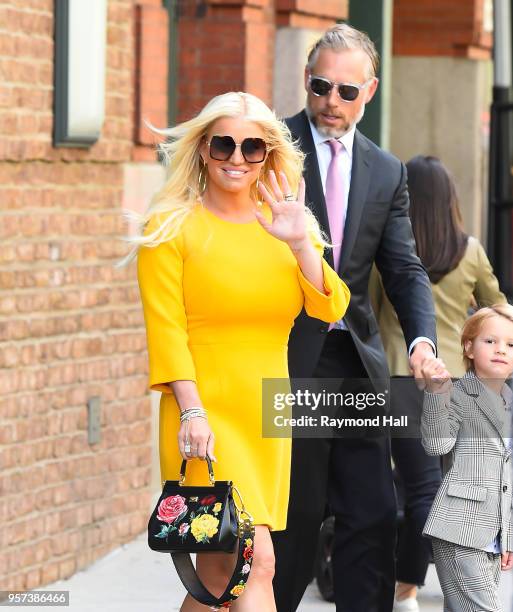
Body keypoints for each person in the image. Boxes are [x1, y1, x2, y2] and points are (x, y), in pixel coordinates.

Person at [134, 91, 350, 611]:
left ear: (268, 155)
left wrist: (301, 242)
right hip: (203, 416)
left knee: (218, 585)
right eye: (224, 144)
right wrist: (191, 411)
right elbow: (166, 332)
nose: (236, 157)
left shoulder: (285, 222)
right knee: (255, 564)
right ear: (204, 149)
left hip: (265, 415)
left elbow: (329, 308)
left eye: (252, 147)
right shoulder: (170, 227)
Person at [271, 24, 437, 612]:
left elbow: (404, 268)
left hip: (357, 360)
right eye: (320, 86)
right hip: (290, 356)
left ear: (369, 90)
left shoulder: (387, 170)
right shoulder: (268, 146)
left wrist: (421, 340)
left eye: (345, 91)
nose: (330, 102)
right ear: (307, 81)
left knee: (372, 512)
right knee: (295, 515)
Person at [370, 155, 507, 611]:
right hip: (451, 384)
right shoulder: (469, 252)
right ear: (450, 200)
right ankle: (416, 586)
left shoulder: (387, 253)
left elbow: (366, 312)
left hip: (393, 377)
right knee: (441, 488)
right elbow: (499, 310)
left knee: (399, 488)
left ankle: (397, 585)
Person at [421, 304, 513, 612]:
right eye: (491, 341)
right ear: (468, 347)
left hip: (491, 537)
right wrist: (436, 393)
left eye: (511, 345)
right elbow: (437, 445)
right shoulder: (458, 394)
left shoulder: (510, 402)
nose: (501, 350)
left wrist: (508, 536)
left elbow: (507, 478)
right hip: (459, 529)